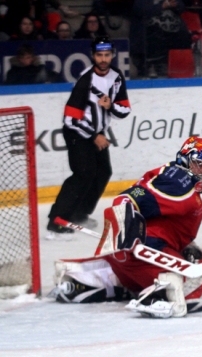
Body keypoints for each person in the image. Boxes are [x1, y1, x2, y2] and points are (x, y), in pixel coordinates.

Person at [52, 136, 202, 318]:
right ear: (186, 161)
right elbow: (139, 195)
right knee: (200, 292)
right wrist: (127, 203)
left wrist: (127, 204)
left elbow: (141, 193)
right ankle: (159, 296)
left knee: (127, 276)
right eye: (201, 165)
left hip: (124, 256)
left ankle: (80, 280)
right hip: (145, 253)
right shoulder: (181, 182)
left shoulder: (170, 173)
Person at [46, 36, 131, 240]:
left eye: (107, 55)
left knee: (103, 172)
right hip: (77, 133)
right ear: (93, 56)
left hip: (96, 133)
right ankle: (57, 220)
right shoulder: (86, 80)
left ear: (112, 55)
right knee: (83, 173)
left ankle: (79, 213)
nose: (103, 59)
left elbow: (124, 109)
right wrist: (94, 135)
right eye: (99, 55)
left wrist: (110, 106)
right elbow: (70, 119)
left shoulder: (117, 76)